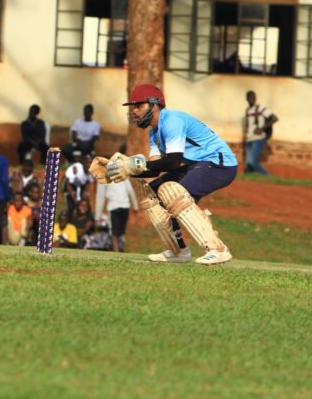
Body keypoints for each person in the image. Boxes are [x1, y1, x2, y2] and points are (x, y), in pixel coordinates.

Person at [91, 84, 238, 265]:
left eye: (139, 105)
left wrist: (131, 166)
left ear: (154, 104)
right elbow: (154, 169)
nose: (134, 111)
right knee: (152, 192)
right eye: (133, 107)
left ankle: (217, 249)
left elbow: (173, 162)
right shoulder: (154, 132)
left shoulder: (172, 120)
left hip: (220, 164)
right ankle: (179, 251)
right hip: (200, 164)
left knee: (172, 191)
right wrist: (122, 169)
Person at [95, 151, 140, 253]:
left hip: (113, 207)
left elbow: (100, 198)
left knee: (113, 232)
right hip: (125, 206)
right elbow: (130, 191)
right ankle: (121, 250)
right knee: (121, 231)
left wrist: (97, 217)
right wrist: (135, 206)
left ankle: (116, 252)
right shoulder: (121, 172)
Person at [243, 90, 278, 176]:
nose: (251, 99)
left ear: (255, 98)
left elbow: (274, 118)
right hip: (249, 139)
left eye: (253, 97)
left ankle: (266, 176)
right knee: (248, 164)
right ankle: (249, 180)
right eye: (249, 97)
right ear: (247, 99)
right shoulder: (248, 110)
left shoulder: (261, 108)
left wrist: (262, 128)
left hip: (258, 138)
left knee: (251, 161)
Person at [63, 154, 93, 219]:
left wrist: (85, 192)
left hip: (81, 187)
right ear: (84, 163)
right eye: (88, 163)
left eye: (91, 163)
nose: (90, 165)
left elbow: (88, 182)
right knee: (71, 207)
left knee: (85, 206)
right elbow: (67, 184)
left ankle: (86, 220)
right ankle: (69, 221)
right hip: (71, 187)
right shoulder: (76, 168)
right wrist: (74, 198)